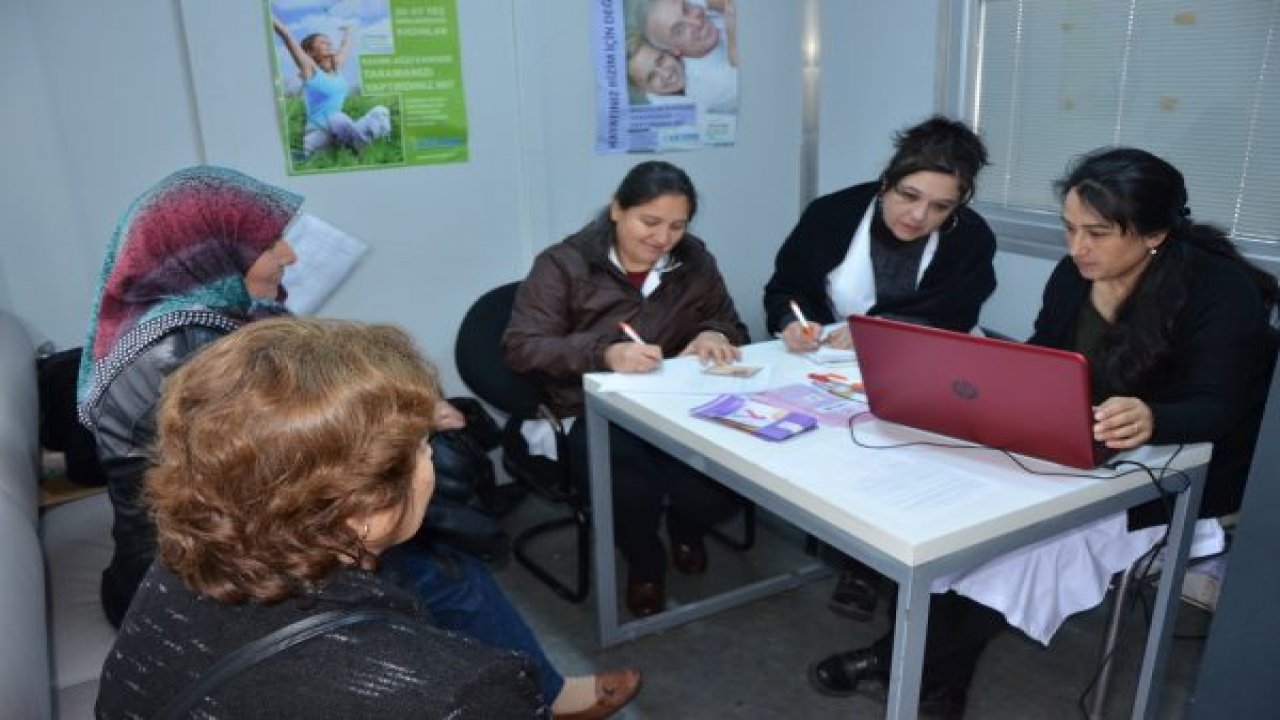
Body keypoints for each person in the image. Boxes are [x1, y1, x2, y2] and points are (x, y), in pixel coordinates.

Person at [78, 165, 640, 719]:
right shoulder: (183, 354)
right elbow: (282, 470)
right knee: (445, 570)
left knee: (438, 557)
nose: (290, 256)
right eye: (272, 243)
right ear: (209, 252)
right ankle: (546, 695)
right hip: (209, 554)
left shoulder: (187, 320)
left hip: (208, 542)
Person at [807, 147, 1278, 718]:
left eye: (1098, 233)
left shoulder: (1217, 292)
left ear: (1154, 233)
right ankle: (938, 682)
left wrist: (1155, 416)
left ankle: (899, 661)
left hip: (1170, 468)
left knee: (1023, 552)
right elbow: (1048, 357)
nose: (1077, 247)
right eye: (1070, 228)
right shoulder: (1075, 274)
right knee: (949, 513)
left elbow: (1219, 408)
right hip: (1068, 441)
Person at [96, 318, 546, 717]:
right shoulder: (465, 693)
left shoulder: (173, 569)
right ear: (361, 511)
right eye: (423, 447)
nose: (430, 459)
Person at [764, 115, 997, 623]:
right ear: (885, 181)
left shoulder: (971, 238)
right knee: (832, 457)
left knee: (908, 463)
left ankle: (899, 568)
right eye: (907, 196)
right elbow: (785, 288)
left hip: (926, 364)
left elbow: (957, 312)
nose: (917, 216)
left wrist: (882, 328)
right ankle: (854, 560)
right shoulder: (832, 214)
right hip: (828, 365)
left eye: (940, 206)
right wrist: (790, 321)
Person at [503, 160, 749, 618]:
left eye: (677, 226)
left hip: (673, 403)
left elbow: (730, 321)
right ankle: (645, 563)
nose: (663, 239)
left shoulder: (694, 259)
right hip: (591, 407)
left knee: (721, 484)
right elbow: (522, 347)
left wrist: (715, 334)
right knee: (630, 484)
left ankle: (685, 522)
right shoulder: (564, 264)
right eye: (649, 222)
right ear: (617, 210)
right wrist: (605, 354)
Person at [272, 14, 391, 157]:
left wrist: (348, 30)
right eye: (322, 43)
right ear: (310, 52)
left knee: (380, 111)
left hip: (340, 132)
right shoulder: (310, 70)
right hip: (318, 135)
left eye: (329, 41)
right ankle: (360, 147)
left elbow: (345, 45)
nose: (328, 44)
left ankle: (375, 147)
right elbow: (287, 37)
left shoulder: (337, 68)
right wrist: (268, 16)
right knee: (337, 118)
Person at [634, 0, 738, 114]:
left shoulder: (693, 10)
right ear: (672, 51)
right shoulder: (705, 86)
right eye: (679, 30)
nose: (696, 22)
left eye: (685, 9)